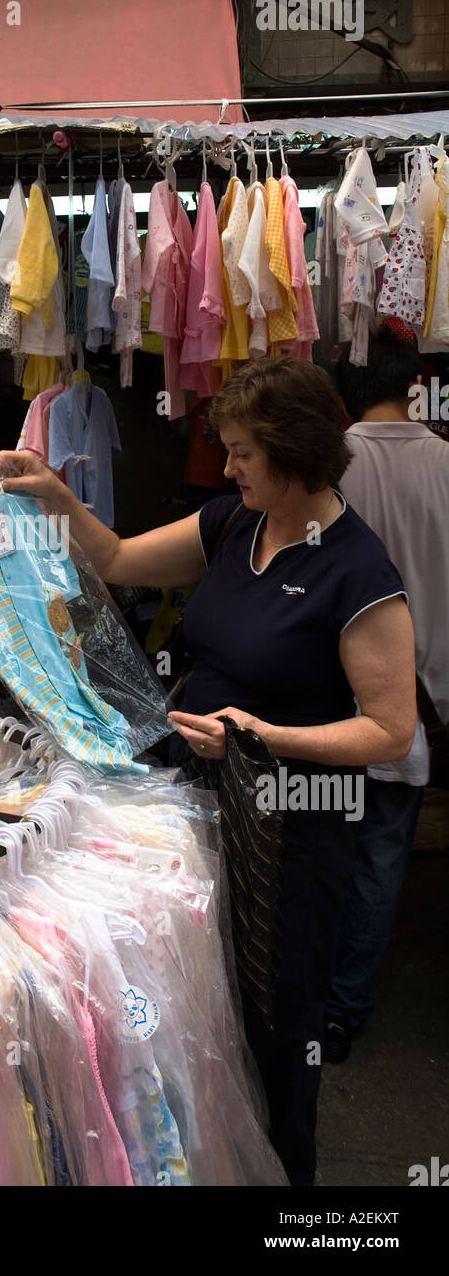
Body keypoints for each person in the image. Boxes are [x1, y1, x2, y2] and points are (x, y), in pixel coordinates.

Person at [0, 357, 416, 1187]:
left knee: (278, 1028)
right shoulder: (230, 525)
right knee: (206, 1008)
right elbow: (112, 557)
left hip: (292, 833)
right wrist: (54, 495)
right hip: (199, 810)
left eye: (241, 454)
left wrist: (263, 735)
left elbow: (390, 731)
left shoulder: (357, 574)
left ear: (294, 453)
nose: (223, 469)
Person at [324, 325, 449, 1062]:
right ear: (414, 386)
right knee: (380, 856)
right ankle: (344, 1005)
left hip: (333, 702)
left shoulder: (330, 465)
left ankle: (310, 997)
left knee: (318, 851)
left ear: (343, 391)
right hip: (426, 703)